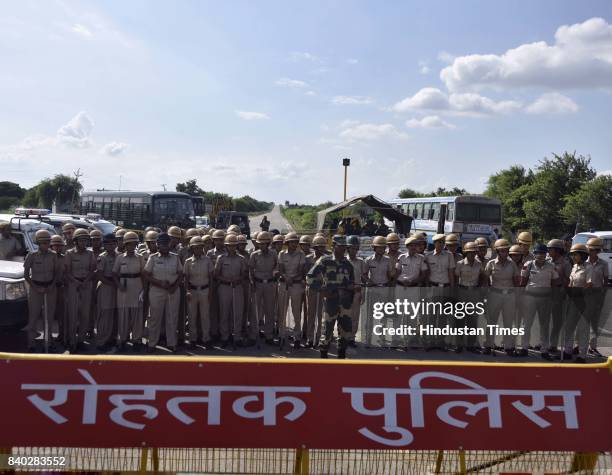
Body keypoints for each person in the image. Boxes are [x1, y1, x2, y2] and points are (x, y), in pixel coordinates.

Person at [306, 235, 355, 359]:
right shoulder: (325, 260)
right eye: (341, 246)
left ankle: (341, 360)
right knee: (327, 331)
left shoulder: (348, 265)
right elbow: (309, 277)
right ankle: (324, 361)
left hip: (345, 303)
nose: (344, 248)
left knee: (344, 332)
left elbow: (352, 282)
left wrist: (351, 289)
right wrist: (322, 290)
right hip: (331, 302)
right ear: (333, 246)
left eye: (345, 246)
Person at [144, 233, 182, 352]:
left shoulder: (175, 257)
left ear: (170, 244)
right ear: (158, 245)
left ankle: (171, 343)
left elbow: (181, 274)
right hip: (157, 291)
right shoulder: (153, 257)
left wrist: (174, 287)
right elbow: (146, 274)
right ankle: (152, 343)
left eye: (166, 244)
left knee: (172, 318)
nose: (164, 247)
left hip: (172, 291)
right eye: (162, 245)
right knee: (155, 318)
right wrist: (159, 283)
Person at [519, 243, 559, 359]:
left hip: (545, 298)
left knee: (544, 325)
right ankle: (524, 348)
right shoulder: (528, 265)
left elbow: (555, 282)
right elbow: (523, 282)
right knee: (526, 324)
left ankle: (544, 349)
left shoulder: (551, 266)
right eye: (538, 253)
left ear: (546, 254)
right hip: (530, 297)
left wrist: (554, 297)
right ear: (534, 254)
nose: (540, 255)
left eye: (543, 253)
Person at [483, 239, 519, 356]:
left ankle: (508, 346)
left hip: (509, 295)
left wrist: (517, 296)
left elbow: (516, 281)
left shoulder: (512, 264)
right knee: (491, 321)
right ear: (497, 251)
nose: (505, 253)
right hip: (495, 294)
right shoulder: (491, 263)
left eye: (506, 251)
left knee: (508, 322)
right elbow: (485, 280)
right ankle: (488, 344)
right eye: (502, 251)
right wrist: (486, 295)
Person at [23, 230, 58, 351]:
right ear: (38, 243)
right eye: (43, 242)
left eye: (48, 242)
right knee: (33, 316)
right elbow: (26, 275)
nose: (46, 245)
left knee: (49, 317)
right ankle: (31, 343)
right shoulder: (31, 255)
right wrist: (35, 287)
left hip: (50, 288)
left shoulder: (53, 255)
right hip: (35, 289)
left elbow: (57, 273)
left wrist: (52, 285)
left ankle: (48, 342)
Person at [113, 231, 145, 352]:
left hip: (137, 287)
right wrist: (118, 285)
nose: (131, 246)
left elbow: (143, 274)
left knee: (137, 315)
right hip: (123, 289)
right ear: (125, 245)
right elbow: (114, 273)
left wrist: (144, 290)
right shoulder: (120, 258)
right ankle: (122, 339)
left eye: (133, 244)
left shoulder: (140, 257)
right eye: (129, 244)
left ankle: (136, 340)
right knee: (123, 315)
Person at [65, 228, 96, 352]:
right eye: (81, 240)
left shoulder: (90, 254)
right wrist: (76, 282)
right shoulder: (69, 253)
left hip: (86, 285)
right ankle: (72, 341)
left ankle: (81, 340)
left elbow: (93, 269)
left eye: (85, 240)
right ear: (75, 241)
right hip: (74, 285)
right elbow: (66, 272)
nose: (83, 243)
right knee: (73, 315)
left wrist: (86, 281)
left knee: (85, 315)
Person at [214, 234, 248, 347]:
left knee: (237, 313)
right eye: (229, 245)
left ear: (236, 246)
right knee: (224, 313)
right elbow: (216, 274)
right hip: (224, 287)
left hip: (237, 287)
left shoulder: (241, 259)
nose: (231, 248)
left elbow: (244, 274)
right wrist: (227, 279)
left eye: (234, 246)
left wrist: (237, 279)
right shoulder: (221, 258)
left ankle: (237, 337)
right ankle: (225, 337)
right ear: (226, 246)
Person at [424, 234, 456, 351]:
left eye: (442, 242)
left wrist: (452, 289)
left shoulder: (449, 256)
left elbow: (451, 273)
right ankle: (431, 341)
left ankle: (441, 341)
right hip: (433, 287)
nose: (441, 244)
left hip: (445, 287)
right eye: (438, 242)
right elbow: (426, 273)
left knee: (442, 317)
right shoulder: (428, 256)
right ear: (434, 243)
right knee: (431, 317)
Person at [277, 232, 306, 349]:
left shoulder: (301, 254)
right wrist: (285, 277)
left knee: (296, 312)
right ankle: (281, 335)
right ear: (287, 243)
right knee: (282, 311)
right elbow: (280, 269)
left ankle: (297, 336)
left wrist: (291, 278)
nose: (294, 244)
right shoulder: (282, 254)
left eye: (296, 242)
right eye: (292, 242)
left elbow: (301, 270)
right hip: (284, 284)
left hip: (296, 284)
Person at [562, 243, 590, 363]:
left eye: (576, 254)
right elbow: (571, 282)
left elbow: (590, 284)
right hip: (573, 300)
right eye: (572, 254)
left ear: (583, 255)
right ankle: (568, 351)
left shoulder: (589, 268)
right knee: (569, 327)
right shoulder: (574, 267)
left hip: (584, 301)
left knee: (583, 329)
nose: (573, 257)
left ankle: (582, 354)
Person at [184, 236, 213, 349]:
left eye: (200, 247)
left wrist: (210, 292)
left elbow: (211, 277)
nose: (198, 250)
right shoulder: (188, 262)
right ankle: (193, 339)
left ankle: (206, 339)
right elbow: (186, 278)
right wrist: (186, 291)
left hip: (205, 290)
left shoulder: (207, 260)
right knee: (192, 317)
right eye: (195, 248)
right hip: (192, 291)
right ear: (192, 248)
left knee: (205, 316)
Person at [454, 242, 484, 353]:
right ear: (465, 252)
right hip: (462, 291)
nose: (472, 254)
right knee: (460, 320)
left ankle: (471, 345)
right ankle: (459, 344)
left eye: (474, 252)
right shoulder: (460, 263)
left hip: (474, 292)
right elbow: (456, 278)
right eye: (470, 252)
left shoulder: (479, 264)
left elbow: (482, 277)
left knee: (472, 320)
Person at [249, 231, 278, 345]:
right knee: (255, 310)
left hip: (270, 284)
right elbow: (251, 269)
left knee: (269, 310)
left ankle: (269, 335)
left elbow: (277, 265)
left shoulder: (274, 253)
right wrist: (252, 282)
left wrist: (276, 272)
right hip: (258, 284)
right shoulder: (254, 255)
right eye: (260, 243)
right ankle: (254, 334)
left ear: (268, 243)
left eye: (264, 243)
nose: (262, 245)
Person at [364, 236, 394, 347]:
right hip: (372, 290)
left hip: (384, 289)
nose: (382, 249)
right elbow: (364, 274)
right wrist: (368, 280)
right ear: (374, 248)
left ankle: (381, 339)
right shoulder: (368, 260)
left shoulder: (388, 260)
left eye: (383, 247)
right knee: (369, 315)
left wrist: (392, 273)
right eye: (379, 247)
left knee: (382, 316)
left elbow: (391, 275)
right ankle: (368, 339)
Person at [546, 239, 571, 355]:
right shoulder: (547, 261)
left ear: (557, 251)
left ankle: (556, 345)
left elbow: (568, 280)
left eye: (551, 249)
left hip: (559, 297)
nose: (549, 251)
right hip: (546, 296)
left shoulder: (565, 263)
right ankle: (547, 344)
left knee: (557, 322)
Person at [584, 237, 609, 357]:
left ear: (598, 251)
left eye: (595, 250)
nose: (593, 251)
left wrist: (602, 295)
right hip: (584, 296)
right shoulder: (582, 263)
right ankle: (579, 346)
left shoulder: (603, 264)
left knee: (594, 323)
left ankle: (592, 347)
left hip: (596, 296)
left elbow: (605, 281)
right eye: (591, 249)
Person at [95, 234, 118, 351]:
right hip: (106, 286)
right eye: (108, 243)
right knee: (104, 315)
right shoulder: (102, 257)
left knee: (114, 314)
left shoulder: (118, 256)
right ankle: (101, 340)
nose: (111, 245)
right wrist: (113, 284)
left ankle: (111, 338)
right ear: (104, 245)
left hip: (116, 287)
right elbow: (99, 275)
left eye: (113, 243)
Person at [305, 236, 327, 347]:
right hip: (312, 289)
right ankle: (310, 338)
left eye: (322, 247)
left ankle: (318, 338)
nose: (321, 249)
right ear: (314, 247)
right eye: (318, 247)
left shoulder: (327, 259)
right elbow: (305, 274)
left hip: (322, 289)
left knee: (321, 315)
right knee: (311, 314)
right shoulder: (308, 258)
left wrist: (325, 285)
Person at [347, 235, 367, 347]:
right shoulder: (343, 261)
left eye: (355, 248)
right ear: (347, 248)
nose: (354, 250)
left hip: (357, 291)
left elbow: (364, 278)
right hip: (345, 291)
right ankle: (343, 336)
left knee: (355, 315)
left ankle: (351, 338)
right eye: (352, 248)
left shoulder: (361, 262)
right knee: (344, 315)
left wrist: (363, 292)